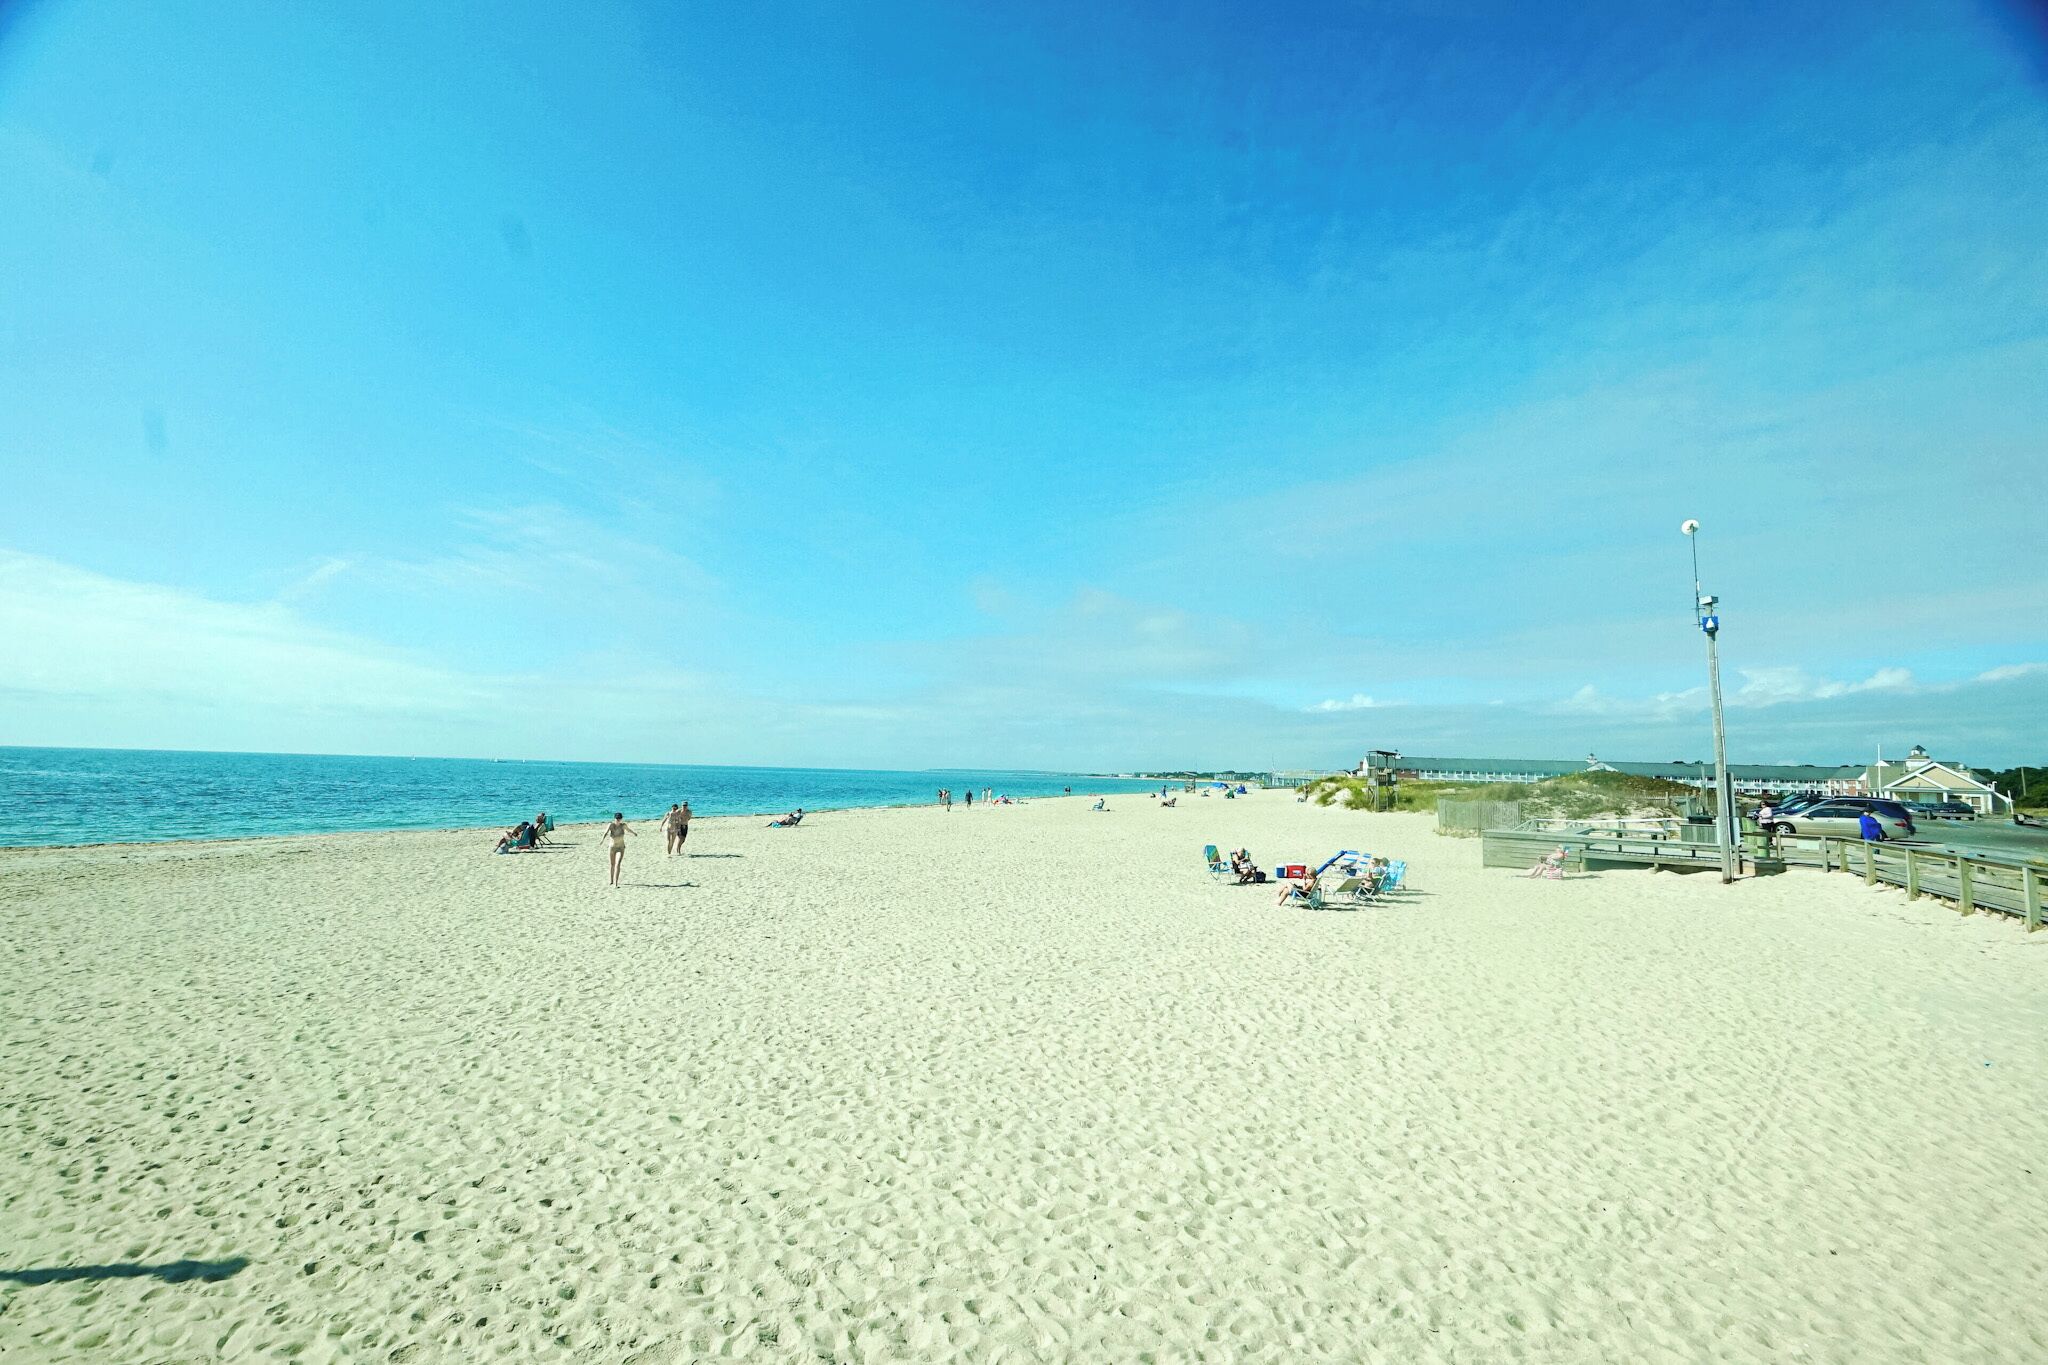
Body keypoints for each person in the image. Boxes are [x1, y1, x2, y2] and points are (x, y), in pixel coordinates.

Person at [601, 812, 635, 886]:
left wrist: (634, 833)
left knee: (618, 864)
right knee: (612, 864)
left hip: (621, 847)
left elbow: (628, 830)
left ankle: (616, 883)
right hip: (612, 847)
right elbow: (605, 832)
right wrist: (602, 840)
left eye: (619, 819)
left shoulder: (623, 825)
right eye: (617, 819)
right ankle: (611, 880)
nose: (618, 820)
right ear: (614, 818)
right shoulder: (611, 825)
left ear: (621, 819)